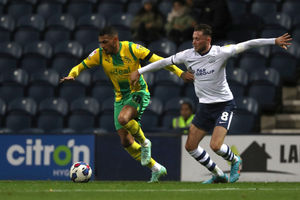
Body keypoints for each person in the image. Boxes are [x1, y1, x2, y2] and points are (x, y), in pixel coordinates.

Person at [130, 24, 292, 183]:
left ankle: (235, 160)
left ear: (208, 40)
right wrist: (140, 71)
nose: (193, 42)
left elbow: (249, 43)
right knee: (190, 146)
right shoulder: (187, 55)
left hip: (224, 104)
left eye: (197, 39)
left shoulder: (221, 52)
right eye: (193, 38)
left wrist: (274, 41)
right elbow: (163, 62)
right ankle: (218, 174)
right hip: (204, 107)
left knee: (215, 145)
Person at [60, 26, 194, 182]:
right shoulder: (100, 55)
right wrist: (72, 74)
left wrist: (180, 72)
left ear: (115, 40)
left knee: (124, 119)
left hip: (139, 93)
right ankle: (156, 168)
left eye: (105, 42)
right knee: (126, 141)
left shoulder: (132, 49)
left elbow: (159, 61)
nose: (102, 46)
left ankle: (145, 142)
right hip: (120, 98)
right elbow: (81, 66)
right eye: (100, 43)